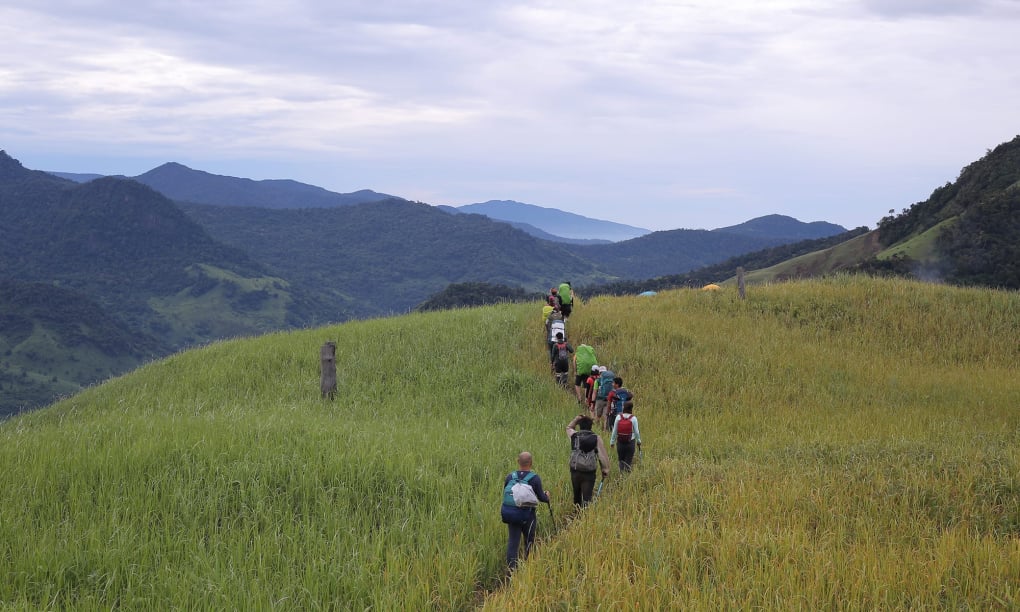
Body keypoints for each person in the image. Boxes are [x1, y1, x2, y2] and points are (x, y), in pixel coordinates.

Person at [501, 451, 551, 571]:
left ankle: (511, 571)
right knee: (529, 540)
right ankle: (528, 567)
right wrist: (547, 496)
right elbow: (541, 498)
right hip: (528, 515)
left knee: (513, 543)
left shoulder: (510, 476)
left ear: (518, 462)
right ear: (531, 463)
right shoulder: (534, 478)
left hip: (512, 514)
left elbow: (507, 493)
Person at [566, 414, 610, 506]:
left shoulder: (574, 436)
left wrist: (576, 419)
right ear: (591, 426)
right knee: (587, 497)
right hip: (589, 472)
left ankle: (576, 514)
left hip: (575, 469)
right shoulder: (596, 438)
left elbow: (569, 427)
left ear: (580, 425)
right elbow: (602, 455)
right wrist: (605, 469)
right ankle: (585, 516)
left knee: (577, 495)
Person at [609, 400, 642, 472]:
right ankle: (627, 478)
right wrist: (639, 441)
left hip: (620, 442)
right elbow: (636, 431)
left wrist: (612, 442)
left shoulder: (618, 417)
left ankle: (621, 476)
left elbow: (614, 430)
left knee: (621, 460)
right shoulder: (633, 418)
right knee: (628, 462)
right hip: (630, 442)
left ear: (623, 407)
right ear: (631, 408)